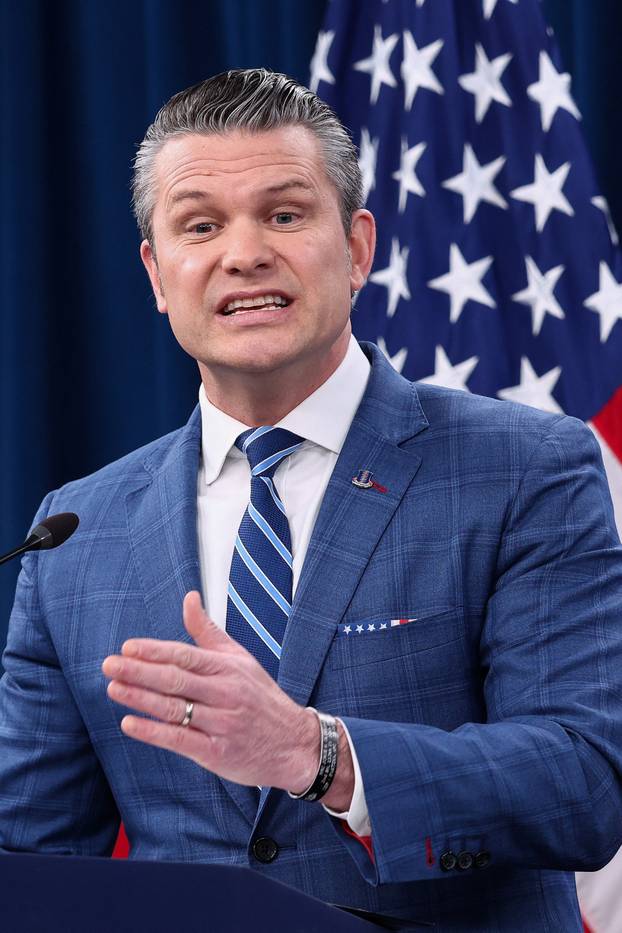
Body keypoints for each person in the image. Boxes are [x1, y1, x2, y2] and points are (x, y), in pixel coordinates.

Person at [2, 68, 622, 932]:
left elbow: (584, 780)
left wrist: (317, 753)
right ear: (155, 271)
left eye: (285, 214)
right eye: (201, 225)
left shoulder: (525, 468)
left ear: (359, 246)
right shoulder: (74, 532)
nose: (244, 252)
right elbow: (31, 866)